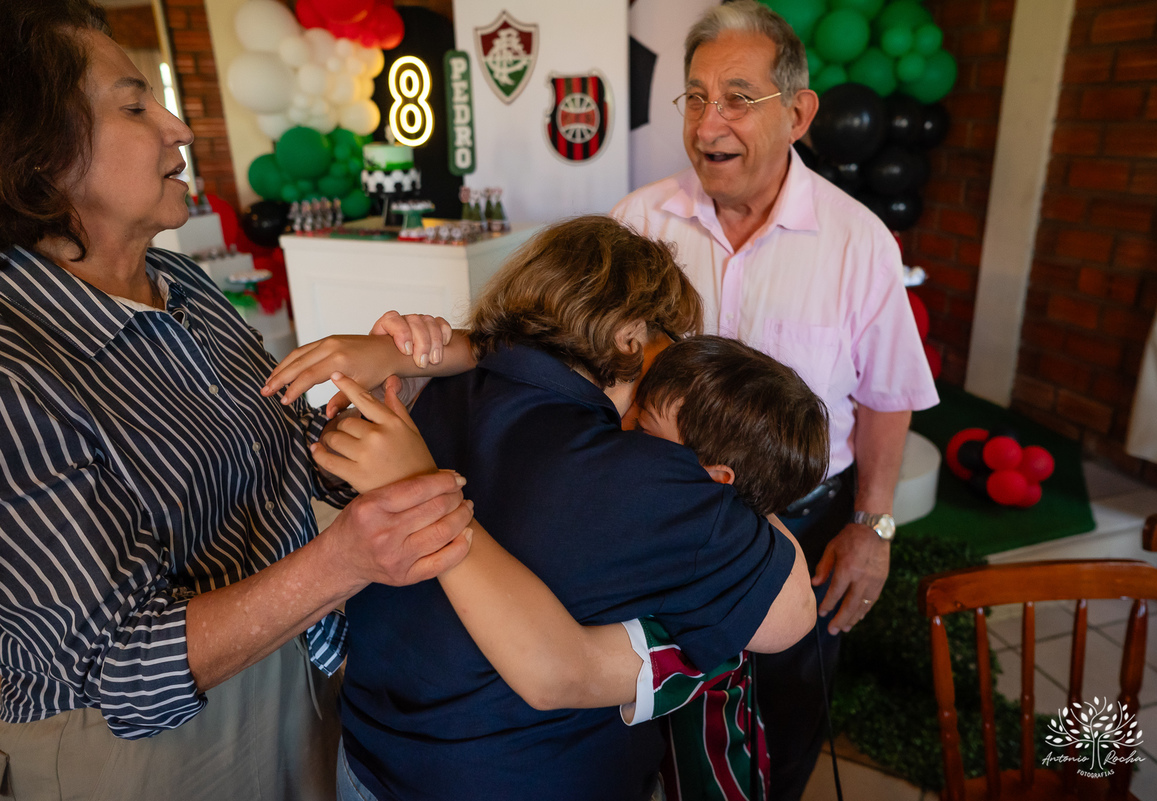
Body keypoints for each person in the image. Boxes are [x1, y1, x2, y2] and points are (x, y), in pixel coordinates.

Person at [0, 3, 472, 799]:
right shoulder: (18, 366)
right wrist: (344, 559)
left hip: (290, 660)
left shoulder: (180, 283)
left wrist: (383, 403)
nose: (179, 127)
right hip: (153, 751)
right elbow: (122, 668)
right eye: (134, 105)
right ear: (40, 155)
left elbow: (285, 458)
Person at [266, 215, 814, 801]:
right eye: (667, 337)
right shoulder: (647, 474)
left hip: (372, 761)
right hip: (537, 775)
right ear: (629, 335)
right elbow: (788, 619)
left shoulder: (432, 388)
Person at [610, 2, 939, 796]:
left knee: (785, 724)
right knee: (645, 712)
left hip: (803, 522)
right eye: (694, 96)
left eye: (736, 97)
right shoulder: (637, 222)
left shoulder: (857, 238)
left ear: (797, 112)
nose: (707, 121)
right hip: (661, 520)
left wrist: (872, 525)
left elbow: (889, 393)